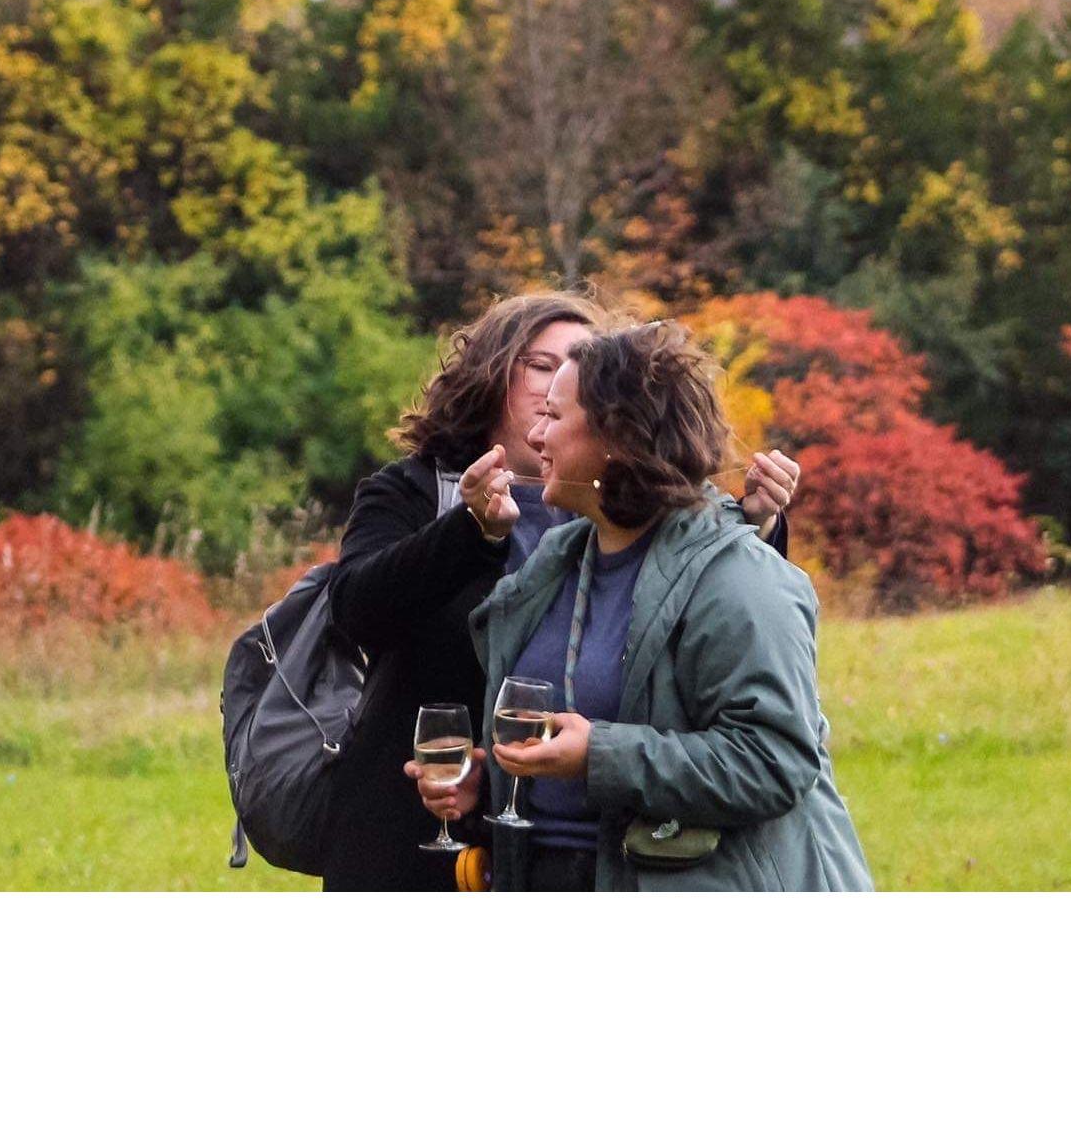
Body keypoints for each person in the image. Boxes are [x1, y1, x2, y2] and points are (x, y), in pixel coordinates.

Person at [323, 291, 801, 892]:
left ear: (614, 426)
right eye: (541, 366)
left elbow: (729, 697)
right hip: (428, 844)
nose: (546, 412)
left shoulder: (615, 531)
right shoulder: (480, 516)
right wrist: (468, 532)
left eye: (566, 384)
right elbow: (355, 614)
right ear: (493, 375)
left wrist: (754, 528)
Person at [436, 319, 870, 892]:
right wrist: (486, 782)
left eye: (555, 417)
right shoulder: (555, 562)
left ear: (615, 438)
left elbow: (774, 761)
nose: (536, 435)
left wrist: (602, 755)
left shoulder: (740, 581)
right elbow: (560, 732)